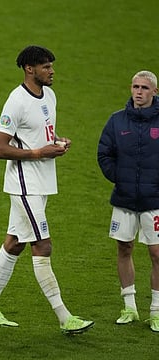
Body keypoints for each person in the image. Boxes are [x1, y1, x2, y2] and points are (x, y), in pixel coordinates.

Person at [0, 45, 94, 334]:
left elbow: (40, 136)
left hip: (43, 182)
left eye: (52, 66)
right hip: (24, 185)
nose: (52, 71)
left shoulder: (50, 96)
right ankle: (65, 317)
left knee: (15, 243)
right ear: (30, 69)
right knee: (42, 245)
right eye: (46, 66)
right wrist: (39, 153)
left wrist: (57, 143)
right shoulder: (16, 101)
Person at [97, 70, 159, 332]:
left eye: (145, 87)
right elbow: (104, 154)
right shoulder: (117, 121)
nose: (139, 91)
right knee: (124, 248)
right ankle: (129, 307)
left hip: (155, 200)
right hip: (123, 199)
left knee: (157, 253)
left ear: (154, 92)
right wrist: (119, 178)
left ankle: (156, 311)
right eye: (135, 86)